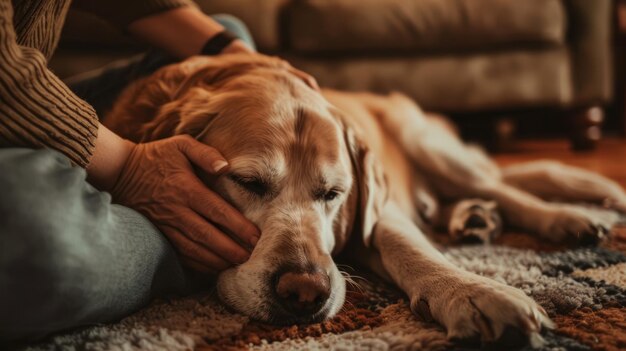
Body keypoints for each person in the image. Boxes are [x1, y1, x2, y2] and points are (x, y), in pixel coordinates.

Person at [0, 0, 317, 343]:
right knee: (29, 232)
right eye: (250, 182)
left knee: (226, 40)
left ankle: (152, 218)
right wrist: (129, 167)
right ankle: (188, 247)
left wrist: (236, 54)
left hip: (26, 75)